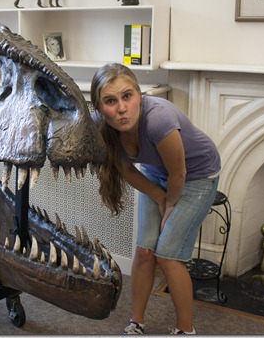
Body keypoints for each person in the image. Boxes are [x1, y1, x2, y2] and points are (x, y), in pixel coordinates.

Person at [90, 63, 221, 335]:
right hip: (157, 172)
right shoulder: (101, 127)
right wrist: (159, 197)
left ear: (140, 95)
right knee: (145, 250)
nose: (122, 108)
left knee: (168, 255)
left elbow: (179, 173)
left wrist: (169, 203)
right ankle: (136, 323)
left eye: (127, 96)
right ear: (100, 107)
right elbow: (127, 170)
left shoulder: (159, 120)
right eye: (111, 101)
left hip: (196, 175)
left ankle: (185, 330)